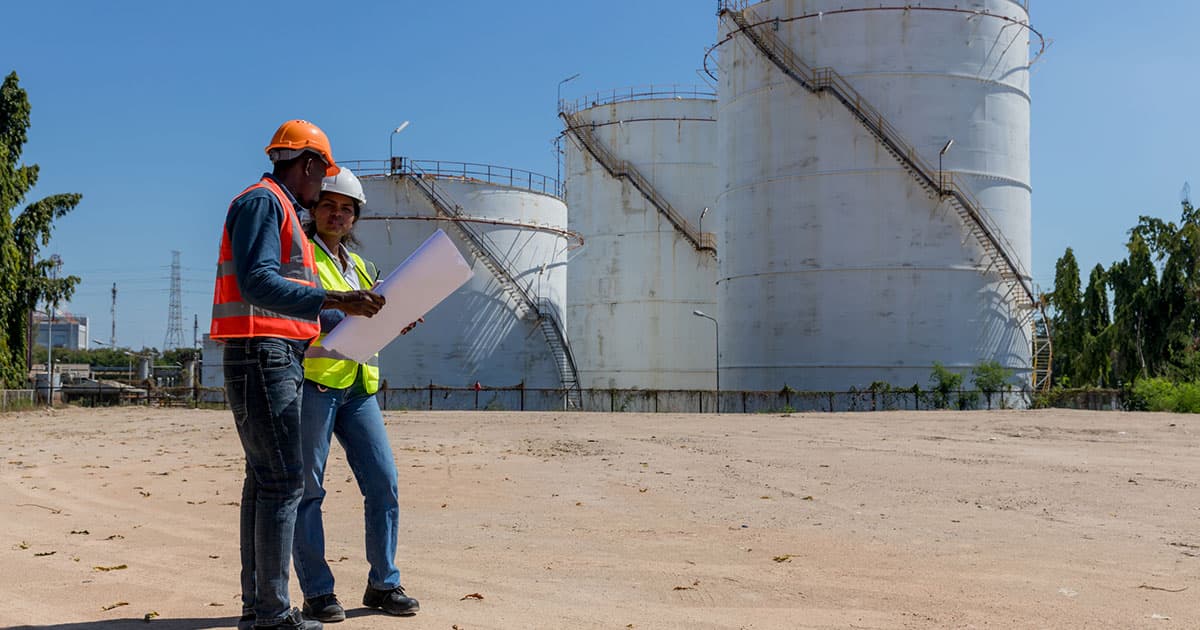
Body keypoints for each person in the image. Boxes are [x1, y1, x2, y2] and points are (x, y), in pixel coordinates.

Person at [211, 120, 385, 630]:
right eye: (322, 175)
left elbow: (292, 304)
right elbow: (258, 282)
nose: (323, 189)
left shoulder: (278, 207)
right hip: (262, 355)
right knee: (284, 482)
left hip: (270, 353)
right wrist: (336, 297)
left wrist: (359, 312)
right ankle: (272, 613)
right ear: (308, 164)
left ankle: (259, 608)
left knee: (265, 482)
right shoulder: (265, 203)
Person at [293, 168, 420, 622]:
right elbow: (299, 312)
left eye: (347, 209)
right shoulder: (301, 256)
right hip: (315, 382)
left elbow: (368, 320)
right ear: (313, 209)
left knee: (384, 483)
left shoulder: (362, 266)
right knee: (309, 490)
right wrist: (348, 310)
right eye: (329, 205)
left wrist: (395, 318)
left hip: (359, 388)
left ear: (355, 218)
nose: (338, 214)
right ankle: (318, 592)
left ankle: (383, 584)